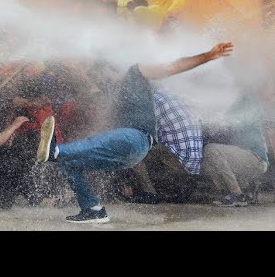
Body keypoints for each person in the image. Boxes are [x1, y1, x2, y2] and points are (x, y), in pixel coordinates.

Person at [36, 41, 234, 223]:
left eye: (104, 71)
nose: (103, 76)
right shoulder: (112, 92)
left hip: (135, 139)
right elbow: (98, 122)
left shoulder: (137, 70)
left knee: (67, 152)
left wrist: (207, 56)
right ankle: (93, 209)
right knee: (69, 163)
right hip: (125, 153)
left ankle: (56, 151)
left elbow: (170, 67)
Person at [202, 88, 269, 206]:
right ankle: (241, 192)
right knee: (206, 156)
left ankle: (236, 194)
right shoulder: (233, 100)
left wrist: (213, 121)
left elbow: (238, 120)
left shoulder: (248, 97)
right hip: (247, 158)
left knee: (211, 150)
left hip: (256, 159)